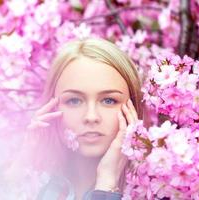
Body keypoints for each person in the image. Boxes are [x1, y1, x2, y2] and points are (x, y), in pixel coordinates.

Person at [24, 37, 143, 200]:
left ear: (133, 107)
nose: (91, 117)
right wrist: (21, 167)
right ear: (51, 107)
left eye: (108, 100)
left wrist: (107, 186)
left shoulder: (156, 191)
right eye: (74, 100)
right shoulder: (34, 188)